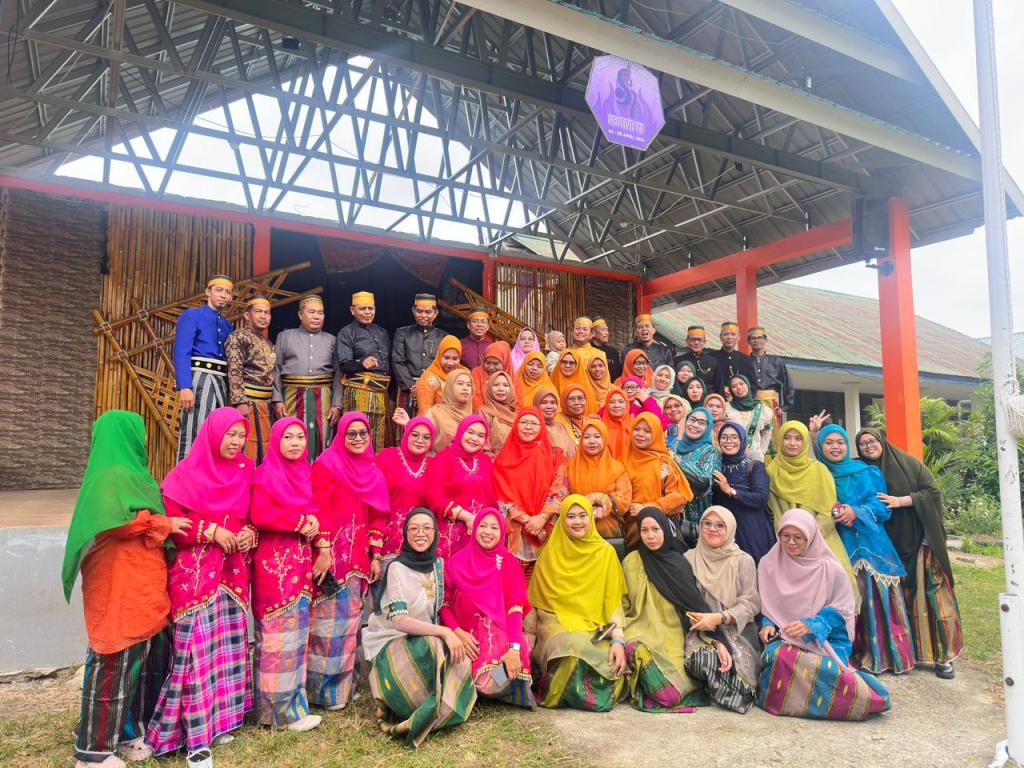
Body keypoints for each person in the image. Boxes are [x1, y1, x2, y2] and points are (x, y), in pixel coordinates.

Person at [63, 411, 186, 768]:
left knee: (138, 663)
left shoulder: (134, 473)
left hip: (141, 584)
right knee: (113, 661)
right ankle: (92, 751)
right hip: (119, 584)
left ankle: (127, 732)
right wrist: (164, 522)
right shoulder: (109, 475)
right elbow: (118, 522)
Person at [146, 408, 256, 768]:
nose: (237, 442)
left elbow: (254, 516)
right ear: (213, 434)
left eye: (241, 436)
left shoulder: (245, 471)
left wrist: (246, 533)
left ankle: (221, 722)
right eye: (231, 435)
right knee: (194, 655)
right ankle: (196, 740)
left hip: (232, 573)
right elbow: (172, 524)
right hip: (193, 577)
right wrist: (211, 531)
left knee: (227, 649)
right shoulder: (182, 476)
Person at [757, 509, 891, 721]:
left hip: (824, 639)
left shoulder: (830, 570)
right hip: (785, 636)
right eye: (785, 536)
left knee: (828, 671)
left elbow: (843, 610)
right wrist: (768, 623)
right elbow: (769, 604)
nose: (791, 542)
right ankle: (790, 703)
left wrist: (811, 625)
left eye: (798, 537)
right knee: (776, 657)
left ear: (810, 537)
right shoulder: (768, 564)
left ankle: (867, 698)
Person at [361, 510, 477, 747]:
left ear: (435, 533)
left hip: (424, 637)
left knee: (458, 653)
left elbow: (443, 606)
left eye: (427, 528)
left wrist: (455, 632)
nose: (420, 534)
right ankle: (417, 708)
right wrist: (445, 632)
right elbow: (400, 621)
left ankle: (441, 709)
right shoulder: (397, 568)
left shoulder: (438, 564)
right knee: (435, 645)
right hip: (393, 639)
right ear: (405, 533)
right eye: (414, 528)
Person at [855, 427, 963, 679]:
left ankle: (943, 657)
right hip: (884, 549)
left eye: (872, 441)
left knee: (932, 599)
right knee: (896, 602)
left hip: (918, 543)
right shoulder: (859, 469)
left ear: (882, 440)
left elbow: (932, 493)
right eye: (862, 444)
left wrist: (901, 500)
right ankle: (903, 654)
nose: (868, 446)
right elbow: (832, 466)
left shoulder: (908, 464)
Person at [817, 425, 915, 675]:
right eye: (828, 442)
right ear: (820, 447)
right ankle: (849, 655)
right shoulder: (818, 473)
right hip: (837, 544)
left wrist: (855, 512)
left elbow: (882, 507)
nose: (835, 447)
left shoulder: (866, 471)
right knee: (843, 598)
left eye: (840, 441)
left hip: (871, 545)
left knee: (874, 598)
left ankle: (883, 657)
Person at [310, 412, 388, 711]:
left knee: (352, 623)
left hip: (358, 559)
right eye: (350, 434)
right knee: (328, 625)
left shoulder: (372, 470)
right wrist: (325, 549)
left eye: (362, 433)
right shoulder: (327, 465)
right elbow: (319, 508)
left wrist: (376, 555)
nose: (357, 438)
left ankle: (347, 686)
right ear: (340, 436)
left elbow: (379, 514)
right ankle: (323, 692)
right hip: (330, 556)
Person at [249, 418, 322, 733]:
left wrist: (315, 524)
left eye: (300, 437)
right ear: (276, 440)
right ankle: (277, 714)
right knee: (278, 638)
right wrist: (298, 521)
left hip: (301, 565)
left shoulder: (305, 472)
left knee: (296, 638)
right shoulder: (265, 474)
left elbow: (315, 508)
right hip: (274, 566)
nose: (295, 443)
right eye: (288, 437)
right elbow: (260, 514)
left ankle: (293, 706)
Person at [525, 495, 628, 711]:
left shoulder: (605, 553)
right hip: (554, 620)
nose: (577, 521)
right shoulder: (550, 554)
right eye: (570, 516)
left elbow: (612, 603)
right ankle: (559, 691)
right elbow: (535, 602)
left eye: (583, 515)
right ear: (562, 521)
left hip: (594, 624)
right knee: (570, 649)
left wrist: (618, 640)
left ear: (591, 518)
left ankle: (578, 694)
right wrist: (528, 646)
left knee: (605, 663)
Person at [441, 509, 536, 708]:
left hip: (501, 633)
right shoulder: (455, 563)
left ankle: (491, 689)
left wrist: (514, 648)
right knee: (477, 679)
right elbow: (443, 605)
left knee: (497, 677)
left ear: (501, 532)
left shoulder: (509, 562)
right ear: (474, 529)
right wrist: (458, 633)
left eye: (494, 527)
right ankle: (482, 688)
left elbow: (515, 609)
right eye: (482, 526)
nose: (488, 532)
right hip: (468, 637)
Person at [766, 421, 858, 599]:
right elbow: (775, 511)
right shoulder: (771, 472)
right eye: (787, 438)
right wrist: (791, 537)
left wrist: (809, 536)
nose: (793, 443)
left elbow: (829, 511)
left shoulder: (819, 470)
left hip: (820, 540)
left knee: (831, 599)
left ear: (805, 442)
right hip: (788, 543)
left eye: (799, 438)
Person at [683, 507, 761, 712]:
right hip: (701, 630)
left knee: (740, 676)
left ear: (731, 529)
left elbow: (750, 603)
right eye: (706, 524)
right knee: (704, 660)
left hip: (737, 631)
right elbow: (685, 601)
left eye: (720, 525)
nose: (712, 529)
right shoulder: (689, 559)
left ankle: (729, 691)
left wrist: (721, 617)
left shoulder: (743, 561)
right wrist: (712, 636)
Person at [494, 407, 569, 580]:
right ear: (515, 426)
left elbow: (560, 487)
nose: (528, 427)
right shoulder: (502, 458)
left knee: (544, 581)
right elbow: (499, 495)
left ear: (541, 426)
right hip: (515, 530)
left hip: (546, 528)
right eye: (524, 422)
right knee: (514, 583)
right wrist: (526, 520)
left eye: (534, 423)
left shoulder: (554, 455)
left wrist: (542, 518)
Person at [272, 295, 341, 462]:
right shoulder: (285, 336)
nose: (317, 316)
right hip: (291, 396)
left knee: (322, 437)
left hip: (323, 395)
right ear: (300, 315)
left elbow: (338, 374)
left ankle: (319, 478)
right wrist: (277, 400)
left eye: (320, 313)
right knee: (291, 435)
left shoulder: (332, 340)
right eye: (311, 312)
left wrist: (336, 404)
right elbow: (276, 369)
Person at [174, 275, 234, 460]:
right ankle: (185, 485)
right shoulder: (192, 316)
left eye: (228, 292)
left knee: (217, 433)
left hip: (221, 382)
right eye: (219, 290)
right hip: (199, 378)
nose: (223, 295)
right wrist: (185, 387)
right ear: (208, 292)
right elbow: (181, 351)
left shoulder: (227, 326)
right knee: (194, 431)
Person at [425, 415, 498, 559]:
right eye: (470, 432)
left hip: (481, 534)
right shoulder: (443, 459)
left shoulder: (485, 462)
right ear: (460, 432)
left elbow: (491, 498)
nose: (474, 438)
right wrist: (467, 517)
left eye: (480, 435)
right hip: (450, 534)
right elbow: (434, 496)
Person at [622, 412, 693, 548]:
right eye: (636, 429)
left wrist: (648, 508)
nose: (640, 434)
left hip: (658, 531)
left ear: (656, 434)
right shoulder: (622, 461)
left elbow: (679, 496)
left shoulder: (662, 464)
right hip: (630, 531)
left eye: (647, 431)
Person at [336, 291, 392, 450]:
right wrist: (361, 363)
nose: (368, 312)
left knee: (381, 440)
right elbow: (344, 364)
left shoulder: (382, 332)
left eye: (371, 308)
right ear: (352, 310)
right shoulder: (346, 332)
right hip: (359, 393)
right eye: (362, 309)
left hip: (382, 393)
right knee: (359, 435)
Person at [223, 296, 276, 464]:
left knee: (265, 451)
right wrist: (239, 401)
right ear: (247, 315)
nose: (263, 316)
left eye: (267, 313)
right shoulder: (237, 337)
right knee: (247, 450)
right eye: (258, 312)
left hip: (266, 405)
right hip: (248, 402)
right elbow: (234, 369)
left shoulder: (268, 342)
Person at [712, 422, 774, 563]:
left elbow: (761, 498)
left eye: (734, 437)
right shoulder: (716, 467)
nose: (729, 441)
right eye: (725, 437)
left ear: (742, 440)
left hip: (753, 530)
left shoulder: (755, 466)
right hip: (726, 532)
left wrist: (730, 491)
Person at [376, 417, 437, 558]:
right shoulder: (387, 457)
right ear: (406, 434)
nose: (420, 440)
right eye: (415, 435)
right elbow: (375, 501)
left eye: (426, 437)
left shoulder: (434, 466)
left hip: (419, 542)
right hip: (386, 539)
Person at [567, 417, 632, 540]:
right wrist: (582, 509)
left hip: (607, 532)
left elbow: (625, 501)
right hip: (576, 531)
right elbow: (562, 496)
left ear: (605, 439)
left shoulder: (616, 468)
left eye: (597, 437)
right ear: (580, 440)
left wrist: (599, 498)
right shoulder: (570, 467)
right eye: (586, 437)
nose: (592, 441)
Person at [391, 294, 447, 416]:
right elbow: (398, 361)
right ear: (413, 311)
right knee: (404, 428)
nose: (423, 315)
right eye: (419, 311)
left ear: (435, 313)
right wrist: (413, 387)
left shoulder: (443, 337)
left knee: (430, 426)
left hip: (433, 387)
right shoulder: (402, 333)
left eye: (428, 312)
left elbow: (443, 364)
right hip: (408, 387)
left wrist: (426, 386)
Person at [673, 407, 721, 526]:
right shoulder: (673, 445)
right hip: (670, 512)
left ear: (707, 428)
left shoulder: (711, 452)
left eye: (701, 423)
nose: (695, 425)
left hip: (694, 517)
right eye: (692, 420)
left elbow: (704, 479)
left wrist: (677, 460)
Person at [747, 326, 795, 425]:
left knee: (773, 437)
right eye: (753, 338)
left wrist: (784, 407)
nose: (756, 340)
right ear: (749, 341)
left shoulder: (776, 361)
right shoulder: (744, 361)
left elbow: (788, 384)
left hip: (772, 405)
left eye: (760, 338)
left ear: (765, 340)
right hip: (751, 405)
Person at [422, 368, 475, 453]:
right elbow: (420, 441)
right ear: (449, 387)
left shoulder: (473, 418)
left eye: (469, 385)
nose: (465, 388)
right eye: (460, 384)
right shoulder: (435, 414)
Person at [725, 374, 773, 462]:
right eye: (734, 386)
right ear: (731, 390)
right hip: (730, 460)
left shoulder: (762, 409)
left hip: (755, 460)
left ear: (747, 385)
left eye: (741, 384)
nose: (738, 388)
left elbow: (767, 431)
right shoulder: (726, 408)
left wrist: (761, 451)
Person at [413, 335, 463, 415]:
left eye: (455, 358)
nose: (450, 363)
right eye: (446, 358)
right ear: (439, 356)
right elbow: (425, 410)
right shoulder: (429, 377)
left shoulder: (464, 374)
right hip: (436, 423)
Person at [712, 322, 756, 396]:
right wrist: (719, 390)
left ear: (738, 337)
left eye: (733, 334)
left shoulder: (746, 360)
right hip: (717, 401)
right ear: (720, 337)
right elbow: (707, 383)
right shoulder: (711, 358)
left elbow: (753, 385)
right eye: (725, 334)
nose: (729, 337)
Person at [534, 387, 577, 460]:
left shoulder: (560, 426)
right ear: (536, 405)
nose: (549, 406)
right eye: (544, 402)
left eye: (553, 402)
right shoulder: (534, 427)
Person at [479, 371, 517, 454]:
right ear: (489, 388)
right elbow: (483, 446)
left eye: (506, 385)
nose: (501, 389)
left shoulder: (517, 414)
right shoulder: (485, 413)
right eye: (495, 385)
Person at [471, 341, 516, 410]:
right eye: (488, 363)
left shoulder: (513, 378)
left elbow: (518, 405)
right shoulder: (477, 373)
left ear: (505, 362)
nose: (491, 367)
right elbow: (475, 400)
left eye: (496, 364)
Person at [675, 325, 718, 390]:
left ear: (704, 342)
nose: (696, 343)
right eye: (693, 340)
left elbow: (719, 386)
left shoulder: (713, 361)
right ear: (687, 342)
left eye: (699, 340)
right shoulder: (678, 361)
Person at [600, 386, 634, 459]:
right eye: (612, 402)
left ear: (627, 404)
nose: (616, 405)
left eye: (621, 402)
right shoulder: (600, 427)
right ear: (607, 405)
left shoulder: (635, 425)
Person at [591, 316, 623, 381]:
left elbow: (618, 375)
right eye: (603, 330)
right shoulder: (587, 351)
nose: (607, 333)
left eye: (607, 330)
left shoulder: (613, 352)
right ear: (593, 333)